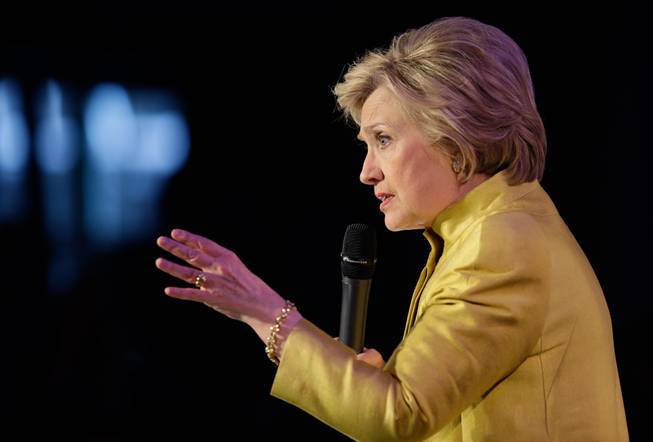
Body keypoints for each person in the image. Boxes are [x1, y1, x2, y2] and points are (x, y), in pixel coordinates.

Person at [155, 16, 628, 441]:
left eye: (384, 139)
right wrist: (366, 386)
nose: (367, 171)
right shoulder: (502, 226)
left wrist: (265, 312)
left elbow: (400, 415)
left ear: (455, 136)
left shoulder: (500, 244)